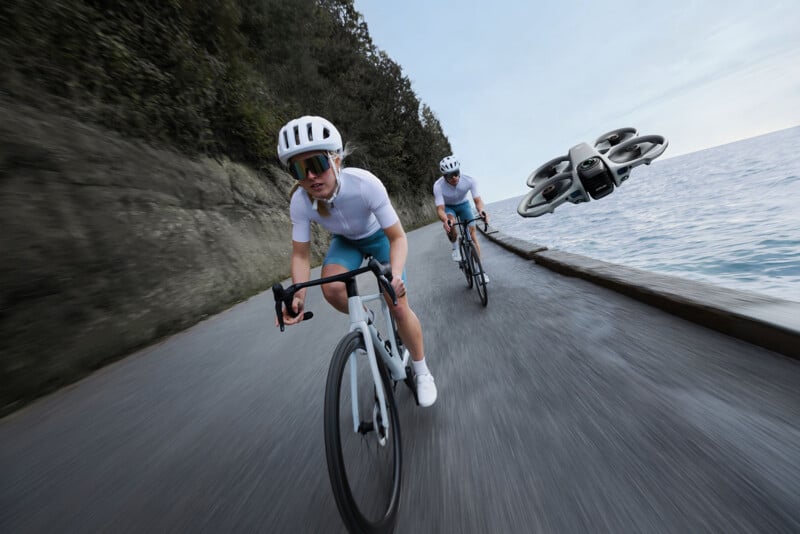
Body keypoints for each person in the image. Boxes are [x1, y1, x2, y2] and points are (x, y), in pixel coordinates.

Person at [275, 115, 437, 407]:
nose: (311, 176)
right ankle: (366, 322)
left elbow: (398, 237)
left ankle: (422, 370)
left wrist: (395, 275)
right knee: (332, 288)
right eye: (300, 168)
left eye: (317, 164)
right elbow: (300, 254)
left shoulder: (364, 184)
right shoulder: (300, 201)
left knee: (398, 305)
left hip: (379, 237)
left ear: (335, 161)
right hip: (345, 242)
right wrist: (296, 296)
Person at [432, 155, 490, 282]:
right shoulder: (438, 186)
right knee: (451, 222)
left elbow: (478, 201)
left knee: (472, 235)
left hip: (464, 205)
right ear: (444, 176)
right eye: (449, 175)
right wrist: (446, 220)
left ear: (459, 171)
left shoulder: (469, 180)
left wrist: (482, 211)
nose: (454, 178)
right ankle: (455, 247)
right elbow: (440, 209)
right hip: (449, 208)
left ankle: (481, 271)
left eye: (456, 173)